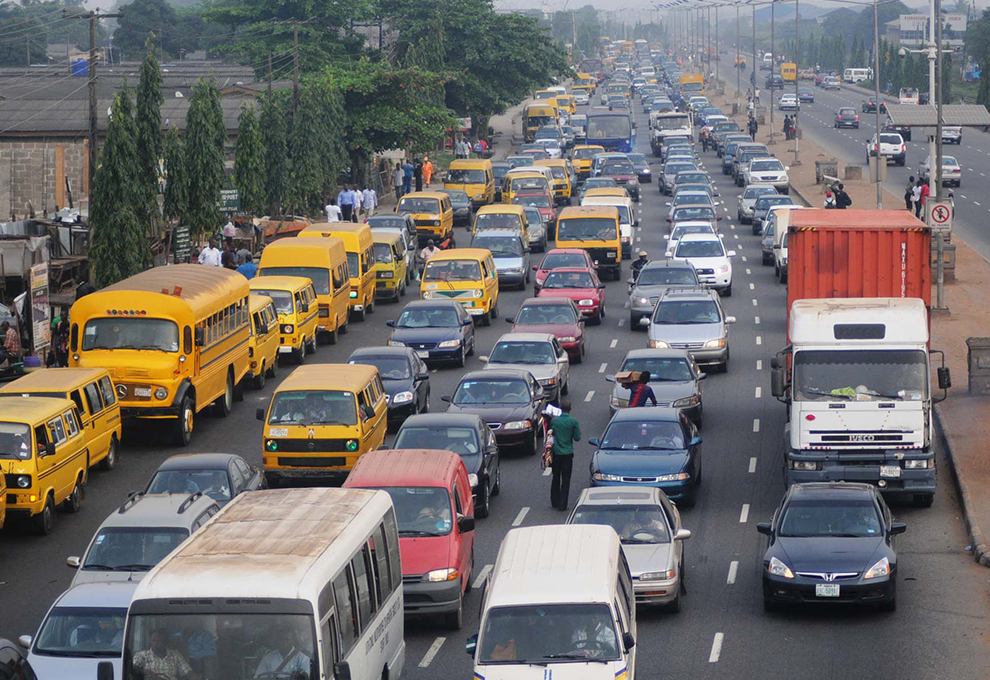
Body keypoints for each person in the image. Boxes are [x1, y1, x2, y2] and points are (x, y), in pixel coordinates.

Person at [549, 399, 581, 511]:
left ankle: (555, 501)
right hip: (567, 453)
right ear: (570, 409)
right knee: (566, 479)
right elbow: (577, 438)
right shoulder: (573, 422)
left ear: (560, 409)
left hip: (556, 453)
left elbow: (551, 433)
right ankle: (563, 504)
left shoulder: (555, 421)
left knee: (556, 477)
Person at [132, 630, 199, 680]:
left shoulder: (175, 655)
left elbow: (188, 673)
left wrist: (194, 678)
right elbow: (132, 668)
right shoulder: (142, 655)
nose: (155, 643)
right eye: (153, 640)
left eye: (159, 641)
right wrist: (149, 673)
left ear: (165, 643)